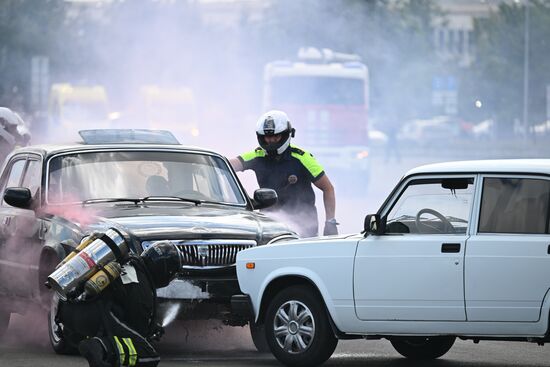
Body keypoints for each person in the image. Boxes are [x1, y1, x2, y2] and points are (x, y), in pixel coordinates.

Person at [53, 240, 182, 367]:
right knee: (148, 355)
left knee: (114, 311)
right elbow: (138, 331)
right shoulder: (142, 290)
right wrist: (150, 331)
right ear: (163, 271)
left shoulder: (129, 261)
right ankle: (102, 347)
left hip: (68, 308)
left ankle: (82, 338)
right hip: (90, 316)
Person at [230, 110, 338, 237]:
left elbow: (328, 188)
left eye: (276, 136)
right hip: (269, 226)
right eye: (267, 137)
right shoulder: (257, 155)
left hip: (304, 226)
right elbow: (227, 165)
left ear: (287, 134)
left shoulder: (302, 158)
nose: (271, 140)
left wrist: (330, 222)